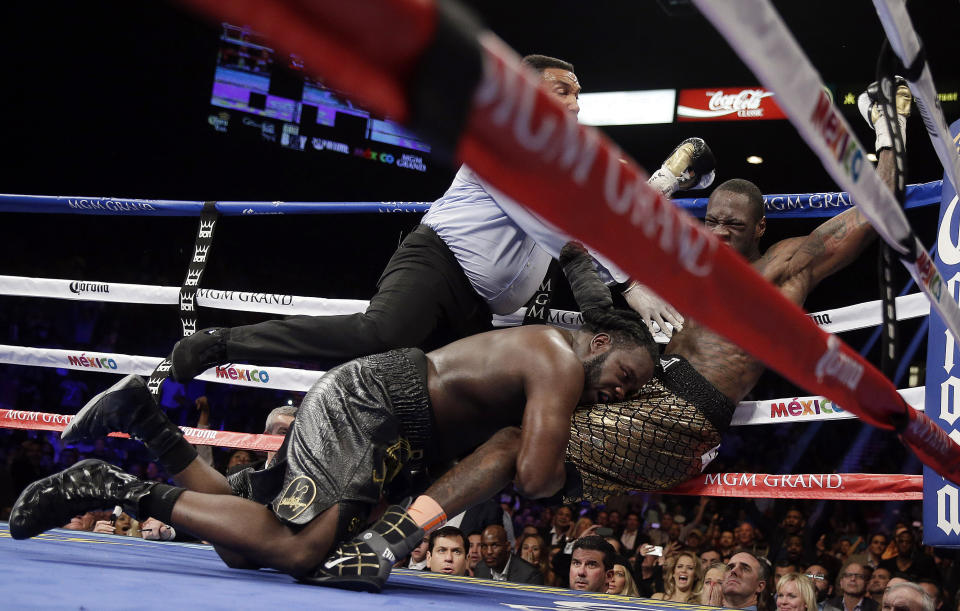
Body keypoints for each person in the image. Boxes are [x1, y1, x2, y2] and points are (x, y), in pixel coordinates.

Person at [11, 304, 656, 592]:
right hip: (376, 406)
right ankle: (103, 483)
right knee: (300, 549)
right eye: (625, 377)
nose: (619, 394)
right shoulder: (558, 361)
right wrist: (587, 466)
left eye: (631, 394)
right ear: (599, 343)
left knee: (246, 549)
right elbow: (538, 476)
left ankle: (146, 423)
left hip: (394, 434)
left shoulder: (559, 366)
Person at [165, 54, 709, 385]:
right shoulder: (498, 140)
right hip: (438, 265)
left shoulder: (579, 165)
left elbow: (624, 206)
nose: (574, 106)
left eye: (578, 96)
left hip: (482, 309)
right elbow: (558, 224)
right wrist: (630, 280)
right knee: (380, 334)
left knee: (451, 400)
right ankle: (220, 343)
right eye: (562, 91)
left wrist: (679, 174)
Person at [562, 78, 912, 503]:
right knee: (530, 389)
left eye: (735, 226)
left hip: (685, 414)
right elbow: (597, 235)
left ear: (760, 228)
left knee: (537, 446)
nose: (720, 234)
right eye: (713, 222)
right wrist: (670, 178)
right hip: (637, 389)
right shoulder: (689, 261)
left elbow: (874, 216)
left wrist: (888, 131)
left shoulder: (782, 267)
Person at [474, 524, 542, 584]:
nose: (489, 551)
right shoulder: (480, 569)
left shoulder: (530, 575)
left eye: (495, 545)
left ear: (508, 546)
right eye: (484, 546)